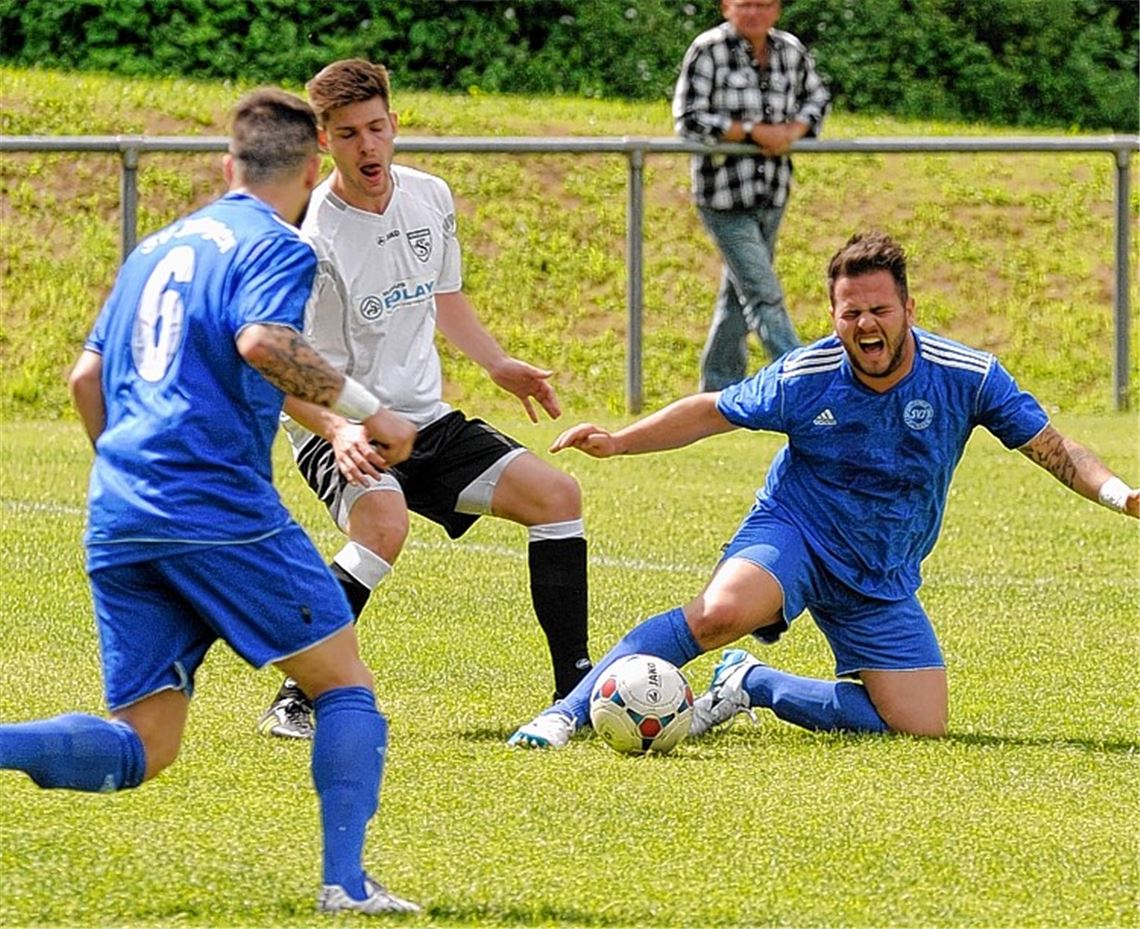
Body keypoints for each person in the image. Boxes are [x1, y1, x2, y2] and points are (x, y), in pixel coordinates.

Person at [0, 89, 420, 915]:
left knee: (145, 745)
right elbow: (263, 341)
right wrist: (377, 413)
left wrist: (135, 481)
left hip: (120, 508)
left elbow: (86, 378)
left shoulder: (154, 247)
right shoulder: (277, 243)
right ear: (311, 170)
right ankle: (346, 883)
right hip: (215, 506)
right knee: (342, 684)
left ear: (228, 165)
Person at [508, 231, 1140, 749]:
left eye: (879, 309)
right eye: (851, 311)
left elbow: (1056, 449)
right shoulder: (806, 374)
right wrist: (619, 442)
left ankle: (754, 683)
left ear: (909, 312)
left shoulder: (967, 376)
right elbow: (711, 410)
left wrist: (1120, 494)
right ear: (835, 317)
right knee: (721, 612)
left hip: (880, 568)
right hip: (797, 532)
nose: (866, 323)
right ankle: (566, 714)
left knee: (920, 727)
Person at [256, 58, 592, 740]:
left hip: (428, 422)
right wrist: (339, 429)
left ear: (395, 124)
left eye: (376, 128)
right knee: (382, 529)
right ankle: (296, 694)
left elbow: (443, 297)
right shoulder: (308, 240)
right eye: (348, 134)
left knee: (558, 498)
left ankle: (575, 691)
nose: (368, 146)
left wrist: (498, 364)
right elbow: (281, 370)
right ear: (323, 142)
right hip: (341, 428)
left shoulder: (429, 197)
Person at [673, 0, 830, 391]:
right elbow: (689, 117)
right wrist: (750, 132)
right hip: (723, 195)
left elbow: (818, 99)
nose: (754, 13)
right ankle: (806, 384)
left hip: (772, 192)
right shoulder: (707, 49)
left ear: (777, 10)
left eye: (764, 4)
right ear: (727, 7)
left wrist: (792, 131)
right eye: (745, 4)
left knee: (737, 296)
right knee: (763, 293)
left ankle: (718, 388)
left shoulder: (791, 50)